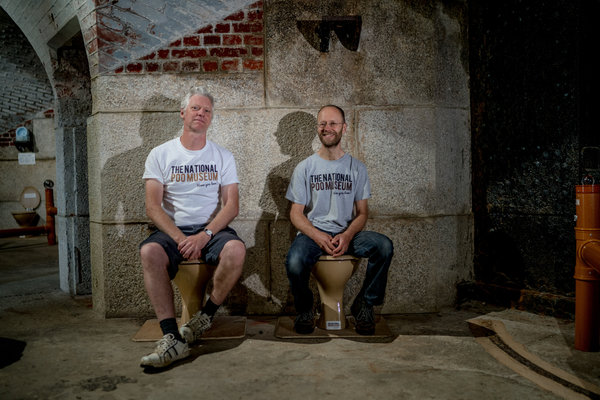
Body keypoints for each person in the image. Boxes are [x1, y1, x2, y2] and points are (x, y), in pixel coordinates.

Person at [139, 87, 246, 368]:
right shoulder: (160, 154)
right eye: (196, 108)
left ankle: (205, 317)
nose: (201, 113)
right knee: (149, 252)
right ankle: (172, 338)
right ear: (183, 113)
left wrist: (204, 235)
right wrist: (179, 237)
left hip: (210, 230)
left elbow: (231, 205)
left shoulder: (223, 156)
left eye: (207, 110)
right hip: (173, 229)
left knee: (236, 250)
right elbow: (152, 207)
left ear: (211, 118)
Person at [285, 105, 394, 335]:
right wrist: (317, 234)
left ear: (344, 128)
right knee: (294, 261)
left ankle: (365, 304)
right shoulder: (305, 168)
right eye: (322, 124)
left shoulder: (357, 168)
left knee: (383, 246)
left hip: (347, 233)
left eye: (333, 123)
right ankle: (305, 309)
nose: (327, 128)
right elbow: (296, 213)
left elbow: (363, 213)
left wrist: (347, 235)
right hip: (314, 234)